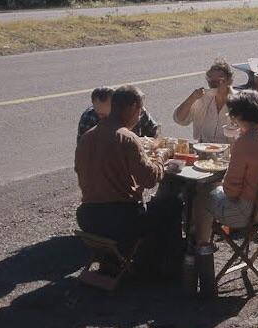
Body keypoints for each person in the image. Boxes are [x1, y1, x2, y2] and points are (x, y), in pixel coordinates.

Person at [75, 85, 182, 276]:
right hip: (119, 220)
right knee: (173, 205)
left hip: (87, 218)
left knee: (153, 209)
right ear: (133, 107)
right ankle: (168, 268)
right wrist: (162, 156)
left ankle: (131, 259)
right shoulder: (127, 138)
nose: (139, 116)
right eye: (140, 111)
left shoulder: (87, 137)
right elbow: (150, 179)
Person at [191, 89, 258, 247]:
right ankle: (204, 245)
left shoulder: (245, 142)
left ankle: (201, 247)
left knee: (202, 195)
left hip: (249, 212)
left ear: (238, 116)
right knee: (216, 190)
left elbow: (231, 190)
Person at [173, 59, 234, 143]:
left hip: (229, 150)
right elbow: (179, 119)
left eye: (220, 81)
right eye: (211, 82)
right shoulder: (201, 99)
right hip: (203, 148)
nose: (215, 85)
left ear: (229, 81)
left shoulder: (239, 101)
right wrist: (191, 98)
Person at [77, 86, 159, 143]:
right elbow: (82, 148)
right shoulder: (88, 118)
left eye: (111, 113)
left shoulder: (134, 111)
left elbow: (153, 130)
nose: (107, 119)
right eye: (101, 115)